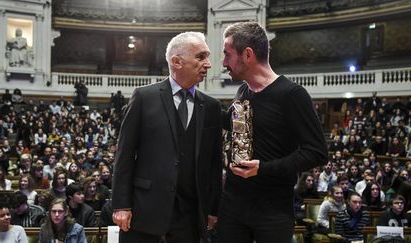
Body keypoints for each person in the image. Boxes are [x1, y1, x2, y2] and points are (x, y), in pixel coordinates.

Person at [217, 22, 327, 243]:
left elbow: (317, 152)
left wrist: (263, 169)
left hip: (272, 211)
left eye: (227, 55)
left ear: (247, 54)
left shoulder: (292, 94)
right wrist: (191, 95)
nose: (223, 63)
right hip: (233, 205)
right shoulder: (243, 90)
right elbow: (233, 124)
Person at [112, 31, 222, 243]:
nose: (208, 64)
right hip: (144, 210)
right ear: (176, 61)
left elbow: (214, 164)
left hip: (190, 216)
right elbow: (124, 155)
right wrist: (121, 205)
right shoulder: (144, 97)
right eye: (201, 57)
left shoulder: (211, 107)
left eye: (208, 57)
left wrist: (212, 208)